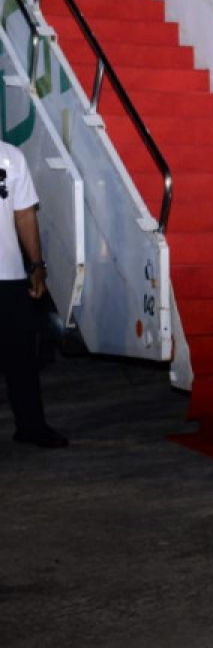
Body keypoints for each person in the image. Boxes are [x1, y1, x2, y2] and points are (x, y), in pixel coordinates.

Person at [1, 139, 67, 448]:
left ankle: (31, 426)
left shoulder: (11, 157)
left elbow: (25, 214)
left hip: (10, 275)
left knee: (21, 358)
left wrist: (37, 264)